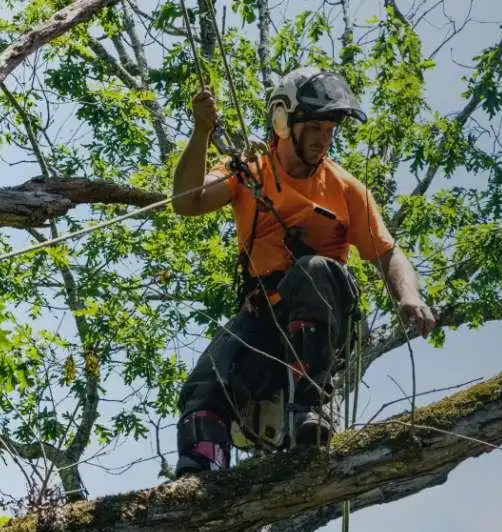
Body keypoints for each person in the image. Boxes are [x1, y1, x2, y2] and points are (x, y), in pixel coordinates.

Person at [171, 67, 436, 477]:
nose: (323, 138)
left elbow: (388, 254)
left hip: (320, 320)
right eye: (313, 127)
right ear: (282, 122)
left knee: (311, 271)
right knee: (206, 381)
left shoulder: (346, 188)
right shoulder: (249, 170)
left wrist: (409, 297)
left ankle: (310, 408)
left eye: (329, 129)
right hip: (265, 316)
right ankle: (201, 469)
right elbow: (187, 202)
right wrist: (201, 131)